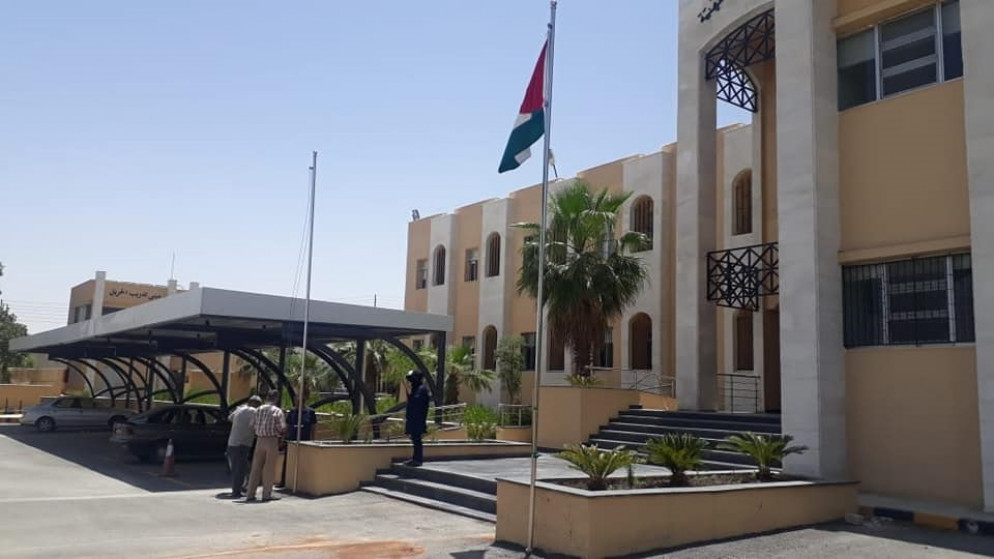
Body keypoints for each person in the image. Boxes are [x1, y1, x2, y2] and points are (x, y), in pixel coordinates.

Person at [245, 391, 286, 502]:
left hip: (259, 439)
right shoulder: (277, 411)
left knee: (256, 467)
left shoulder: (258, 409)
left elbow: (251, 426)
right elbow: (281, 427)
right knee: (269, 468)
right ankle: (266, 494)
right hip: (272, 439)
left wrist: (259, 431)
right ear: (276, 398)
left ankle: (250, 493)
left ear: (267, 397)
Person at [226, 395, 262, 499]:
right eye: (259, 405)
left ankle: (239, 488)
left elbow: (230, 418)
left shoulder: (239, 409)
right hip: (243, 443)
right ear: (255, 404)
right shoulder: (253, 411)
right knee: (240, 469)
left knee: (237, 468)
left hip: (232, 442)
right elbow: (256, 425)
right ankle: (236, 491)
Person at [279, 395, 317, 486]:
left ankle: (302, 482)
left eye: (299, 401)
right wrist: (283, 439)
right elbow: (288, 425)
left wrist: (313, 439)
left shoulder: (310, 412)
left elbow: (313, 427)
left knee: (303, 461)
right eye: (296, 401)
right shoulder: (292, 412)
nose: (297, 403)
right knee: (288, 461)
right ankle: (283, 481)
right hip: (292, 439)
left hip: (305, 440)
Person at [404, 370, 430, 467]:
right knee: (414, 439)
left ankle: (418, 459)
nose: (410, 382)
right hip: (413, 419)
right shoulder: (416, 389)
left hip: (418, 419)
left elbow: (417, 402)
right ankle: (415, 458)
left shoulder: (421, 389)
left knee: (417, 439)